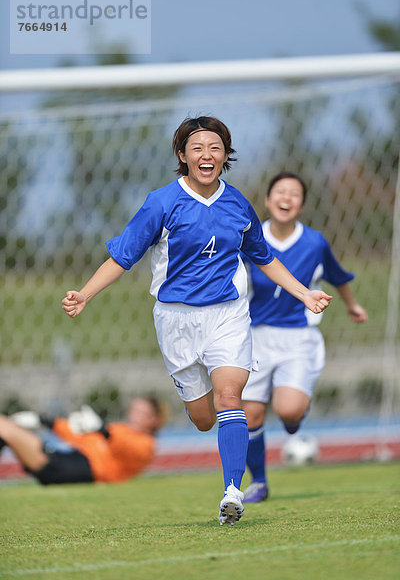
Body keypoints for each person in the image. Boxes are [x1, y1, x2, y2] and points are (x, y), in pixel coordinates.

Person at [61, 117, 332, 526]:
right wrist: (85, 293)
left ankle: (232, 493)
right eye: (198, 148)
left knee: (229, 398)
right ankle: (216, 440)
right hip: (176, 322)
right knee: (204, 418)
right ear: (182, 155)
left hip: (229, 314)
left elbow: (264, 257)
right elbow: (123, 257)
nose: (207, 155)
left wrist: (304, 293)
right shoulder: (161, 203)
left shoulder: (238, 204)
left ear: (226, 155)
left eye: (215, 148)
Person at [241, 172, 368, 504]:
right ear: (267, 201)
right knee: (249, 414)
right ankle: (260, 483)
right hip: (254, 337)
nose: (286, 198)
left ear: (302, 204)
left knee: (289, 411)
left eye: (294, 194)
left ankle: (295, 416)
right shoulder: (250, 239)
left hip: (298, 338)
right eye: (280, 192)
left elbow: (338, 277)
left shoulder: (314, 242)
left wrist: (352, 305)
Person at [0, 397, 165, 485]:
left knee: (4, 428)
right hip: (71, 460)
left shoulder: (147, 444)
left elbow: (127, 447)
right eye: (133, 411)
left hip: (81, 469)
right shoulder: (120, 429)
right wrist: (44, 421)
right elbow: (79, 437)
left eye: (141, 413)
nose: (133, 416)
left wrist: (102, 430)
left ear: (154, 419)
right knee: (5, 426)